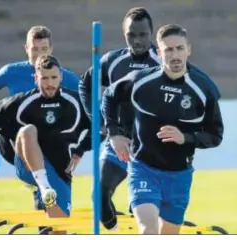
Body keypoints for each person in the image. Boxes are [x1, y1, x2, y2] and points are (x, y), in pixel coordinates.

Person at [102, 24, 223, 234]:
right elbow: (109, 97)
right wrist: (114, 133)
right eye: (168, 50)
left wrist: (185, 138)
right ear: (159, 53)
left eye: (179, 48)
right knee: (148, 231)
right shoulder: (141, 81)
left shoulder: (204, 89)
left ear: (188, 50)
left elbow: (215, 135)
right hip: (144, 169)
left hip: (179, 176)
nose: (174, 55)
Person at [0, 55, 91, 233]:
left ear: (61, 78)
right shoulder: (24, 100)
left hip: (60, 171)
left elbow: (99, 127)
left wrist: (80, 150)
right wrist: (12, 135)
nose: (49, 83)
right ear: (36, 78)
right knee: (28, 131)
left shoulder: (75, 102)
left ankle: (48, 192)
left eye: (53, 78)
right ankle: (43, 186)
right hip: (27, 165)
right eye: (44, 78)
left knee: (59, 230)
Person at [78, 7, 160, 230]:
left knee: (145, 209)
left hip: (153, 149)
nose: (137, 40)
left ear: (151, 33)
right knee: (99, 197)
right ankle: (115, 232)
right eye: (131, 35)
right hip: (119, 143)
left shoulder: (163, 62)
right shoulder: (112, 61)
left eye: (142, 34)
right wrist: (101, 123)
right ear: (124, 35)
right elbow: (85, 86)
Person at [0, 25, 80, 166]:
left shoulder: (64, 76)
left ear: (51, 50)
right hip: (16, 138)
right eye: (34, 49)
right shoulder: (11, 71)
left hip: (50, 137)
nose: (39, 54)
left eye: (44, 49)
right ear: (26, 49)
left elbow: (87, 95)